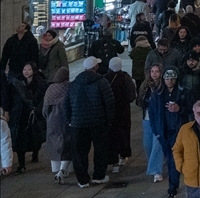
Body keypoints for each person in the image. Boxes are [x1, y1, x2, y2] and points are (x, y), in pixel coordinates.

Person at [64, 57, 115, 188]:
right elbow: (109, 102)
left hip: (77, 124)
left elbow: (66, 104)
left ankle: (82, 180)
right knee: (100, 149)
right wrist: (109, 120)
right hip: (98, 122)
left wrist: (69, 120)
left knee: (79, 152)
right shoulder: (102, 82)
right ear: (95, 67)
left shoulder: (74, 83)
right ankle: (99, 176)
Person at [150, 68, 193, 198]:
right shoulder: (157, 95)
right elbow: (152, 114)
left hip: (179, 131)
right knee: (171, 160)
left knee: (178, 159)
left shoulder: (184, 92)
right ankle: (173, 186)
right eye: (167, 79)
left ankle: (175, 187)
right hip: (164, 133)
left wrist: (180, 109)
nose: (170, 81)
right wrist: (157, 132)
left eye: (172, 79)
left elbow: (193, 108)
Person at [9, 62, 46, 173]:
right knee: (20, 139)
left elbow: (43, 99)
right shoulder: (18, 83)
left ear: (34, 71)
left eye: (28, 69)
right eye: (24, 69)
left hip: (34, 114)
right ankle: (21, 164)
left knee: (34, 137)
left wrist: (37, 110)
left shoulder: (41, 83)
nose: (26, 72)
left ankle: (35, 153)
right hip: (21, 115)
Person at [136, 63, 167, 183]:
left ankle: (156, 171)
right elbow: (139, 100)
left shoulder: (164, 85)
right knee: (147, 144)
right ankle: (154, 163)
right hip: (147, 117)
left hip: (159, 117)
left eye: (157, 71)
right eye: (152, 71)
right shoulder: (145, 85)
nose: (154, 74)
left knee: (157, 143)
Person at [105, 58, 136, 173]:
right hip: (123, 111)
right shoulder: (125, 78)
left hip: (110, 112)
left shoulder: (105, 78)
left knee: (111, 135)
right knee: (123, 132)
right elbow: (131, 95)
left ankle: (113, 161)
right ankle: (123, 155)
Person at [42, 67, 73, 183]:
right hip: (65, 120)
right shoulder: (69, 87)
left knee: (54, 144)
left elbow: (45, 110)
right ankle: (65, 169)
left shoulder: (50, 89)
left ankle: (56, 168)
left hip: (52, 121)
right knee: (67, 143)